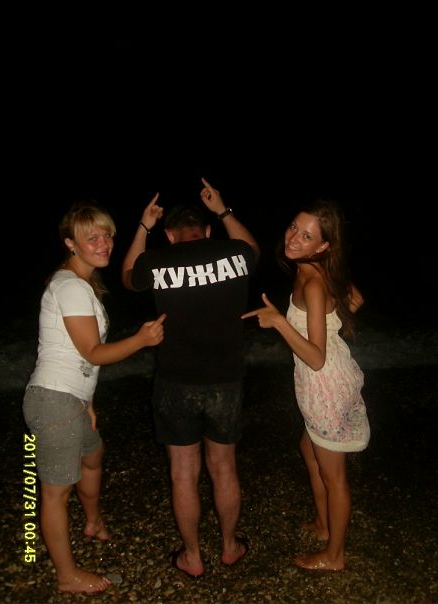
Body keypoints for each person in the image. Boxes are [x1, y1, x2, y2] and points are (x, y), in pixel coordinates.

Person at [23, 201, 166, 594]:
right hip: (53, 399)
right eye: (92, 237)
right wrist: (141, 340)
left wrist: (87, 403)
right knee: (55, 492)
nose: (104, 243)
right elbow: (92, 352)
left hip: (70, 400)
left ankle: (92, 521)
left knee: (93, 457)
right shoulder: (70, 286)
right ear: (71, 243)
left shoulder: (81, 284)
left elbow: (77, 357)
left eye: (107, 235)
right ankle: (66, 576)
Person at [121, 178, 260, 578]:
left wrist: (143, 226)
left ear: (170, 235)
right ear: (208, 231)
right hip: (225, 380)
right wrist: (223, 209)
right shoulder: (234, 253)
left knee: (183, 472)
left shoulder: (158, 260)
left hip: (176, 381)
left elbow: (128, 275)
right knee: (224, 467)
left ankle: (193, 556)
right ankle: (229, 547)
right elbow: (254, 250)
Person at [242, 198, 370, 572]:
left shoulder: (313, 282)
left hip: (325, 384)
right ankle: (323, 523)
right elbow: (355, 299)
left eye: (307, 236)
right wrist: (333, 319)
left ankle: (335, 554)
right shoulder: (317, 268)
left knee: (335, 477)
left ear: (323, 245)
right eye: (294, 227)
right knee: (308, 447)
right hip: (329, 377)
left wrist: (280, 322)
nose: (294, 237)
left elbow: (315, 357)